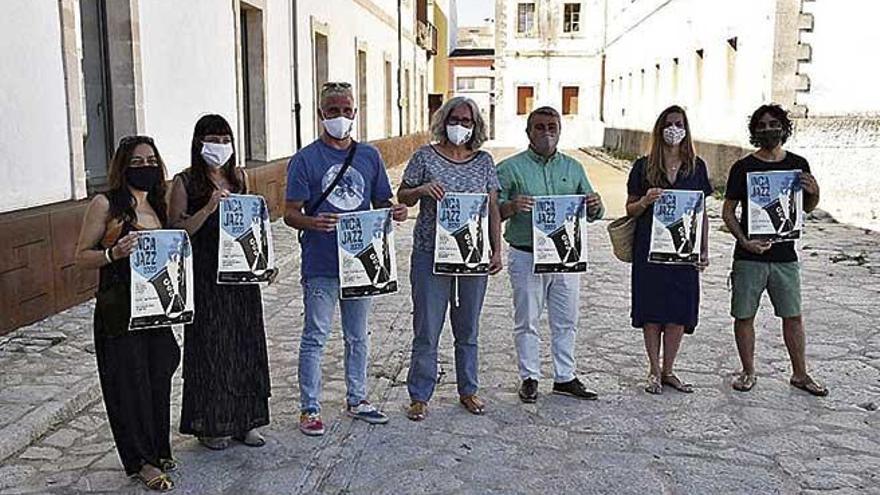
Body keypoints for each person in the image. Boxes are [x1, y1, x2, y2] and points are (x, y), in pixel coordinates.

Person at [284, 82, 408, 436]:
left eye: (346, 109)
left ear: (355, 112)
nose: (340, 116)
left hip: (361, 262)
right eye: (332, 110)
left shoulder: (369, 156)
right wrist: (312, 221)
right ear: (321, 114)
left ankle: (358, 398)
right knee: (316, 336)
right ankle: (310, 407)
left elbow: (382, 199)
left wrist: (394, 210)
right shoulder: (305, 159)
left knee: (358, 336)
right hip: (321, 261)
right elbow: (290, 213)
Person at [75, 136, 180, 491]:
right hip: (119, 310)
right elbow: (81, 256)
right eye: (137, 162)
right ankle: (142, 461)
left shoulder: (157, 204)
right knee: (130, 384)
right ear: (123, 166)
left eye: (151, 160)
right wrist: (113, 253)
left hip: (155, 308)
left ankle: (158, 448)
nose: (146, 167)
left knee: (160, 371)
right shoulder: (106, 204)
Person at [169, 115, 271, 449]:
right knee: (212, 348)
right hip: (206, 276)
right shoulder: (184, 183)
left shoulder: (238, 177)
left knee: (245, 345)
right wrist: (209, 208)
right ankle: (211, 424)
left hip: (240, 275)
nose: (220, 146)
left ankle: (247, 419)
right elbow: (177, 230)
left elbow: (252, 224)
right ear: (199, 142)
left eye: (226, 139)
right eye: (213, 139)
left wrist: (263, 262)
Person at [398, 96, 502, 421]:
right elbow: (402, 194)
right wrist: (422, 190)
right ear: (444, 120)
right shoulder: (424, 156)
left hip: (471, 256)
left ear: (476, 126)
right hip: (431, 253)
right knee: (427, 327)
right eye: (455, 119)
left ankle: (468, 389)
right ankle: (419, 395)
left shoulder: (484, 161)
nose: (460, 126)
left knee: (468, 327)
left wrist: (496, 249)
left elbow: (493, 207)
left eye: (467, 121)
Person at [496, 106, 605, 404]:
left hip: (565, 257)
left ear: (559, 130)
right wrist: (511, 207)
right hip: (526, 254)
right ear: (529, 131)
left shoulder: (574, 168)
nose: (547, 133)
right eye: (540, 127)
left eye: (552, 127)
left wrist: (595, 205)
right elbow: (492, 211)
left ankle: (565, 376)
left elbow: (595, 210)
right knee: (527, 319)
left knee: (566, 319)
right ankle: (529, 376)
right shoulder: (509, 168)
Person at [722, 104, 827, 396]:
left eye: (774, 123)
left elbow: (803, 208)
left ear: (784, 127)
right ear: (754, 131)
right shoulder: (743, 167)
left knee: (792, 316)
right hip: (749, 257)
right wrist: (744, 241)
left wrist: (815, 193)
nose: (768, 129)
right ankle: (748, 371)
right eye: (762, 125)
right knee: (744, 316)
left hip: (785, 256)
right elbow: (728, 211)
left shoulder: (798, 164)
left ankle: (800, 374)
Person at [625, 105, 712, 394]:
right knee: (652, 310)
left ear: (686, 129)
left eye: (679, 123)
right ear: (659, 128)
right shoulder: (643, 166)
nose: (673, 128)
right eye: (668, 123)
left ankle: (669, 370)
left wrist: (703, 249)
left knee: (678, 310)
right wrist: (646, 201)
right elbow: (630, 209)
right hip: (650, 249)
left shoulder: (696, 167)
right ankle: (652, 368)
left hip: (683, 251)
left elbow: (702, 213)